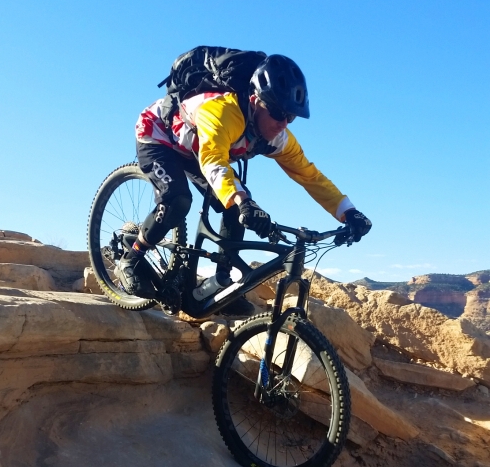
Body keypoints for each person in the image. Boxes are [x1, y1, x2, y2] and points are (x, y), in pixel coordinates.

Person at [118, 54, 372, 314]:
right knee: (178, 200)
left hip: (196, 149)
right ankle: (132, 257)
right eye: (277, 112)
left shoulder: (277, 137)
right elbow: (214, 160)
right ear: (255, 100)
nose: (283, 123)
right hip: (159, 134)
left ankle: (220, 283)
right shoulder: (221, 112)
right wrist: (242, 200)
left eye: (290, 117)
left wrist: (348, 211)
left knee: (235, 207)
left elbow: (310, 175)